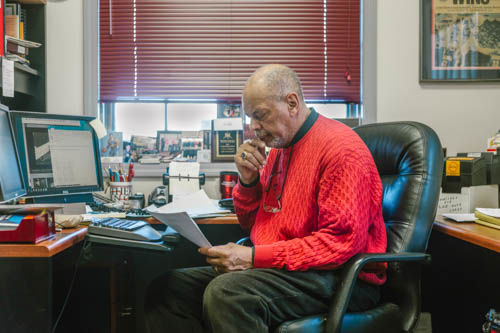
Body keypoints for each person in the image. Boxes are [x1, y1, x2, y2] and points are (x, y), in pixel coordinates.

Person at [145, 64, 387, 333]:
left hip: (338, 276)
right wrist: (248, 181)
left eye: (260, 116)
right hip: (285, 269)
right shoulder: (278, 150)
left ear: (292, 103)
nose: (254, 128)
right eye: (250, 118)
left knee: (228, 294)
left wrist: (254, 257)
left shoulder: (341, 150)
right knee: (168, 289)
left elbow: (339, 244)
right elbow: (252, 224)